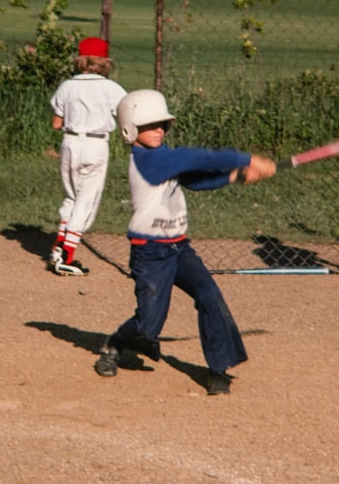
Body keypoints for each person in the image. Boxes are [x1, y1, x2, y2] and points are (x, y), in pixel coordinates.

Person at [93, 89, 276, 395]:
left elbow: (193, 178)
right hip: (150, 253)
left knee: (210, 296)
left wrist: (236, 176)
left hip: (179, 247)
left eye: (163, 124)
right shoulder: (147, 159)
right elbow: (194, 157)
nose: (160, 130)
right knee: (148, 326)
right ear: (130, 130)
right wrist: (247, 158)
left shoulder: (163, 159)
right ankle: (116, 343)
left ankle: (218, 369)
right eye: (151, 125)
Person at [48, 37, 127, 276]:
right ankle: (68, 256)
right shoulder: (110, 88)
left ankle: (58, 248)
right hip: (95, 144)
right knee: (87, 200)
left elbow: (56, 123)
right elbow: (127, 114)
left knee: (72, 197)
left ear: (80, 60)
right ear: (105, 62)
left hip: (69, 142)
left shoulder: (66, 86)